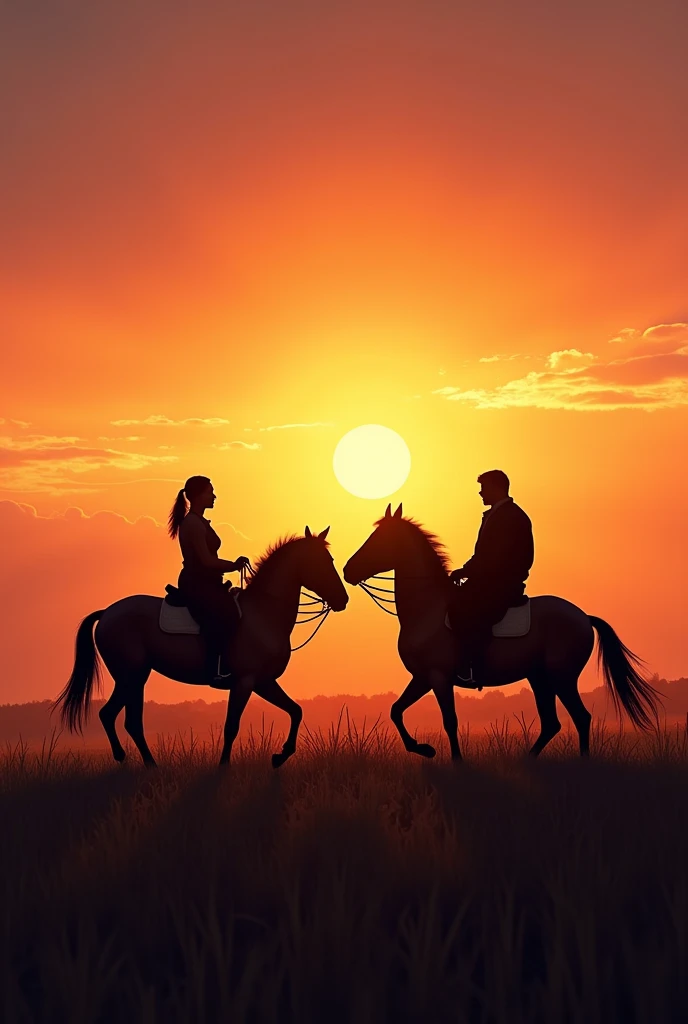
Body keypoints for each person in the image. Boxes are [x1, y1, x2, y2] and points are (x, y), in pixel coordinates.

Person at [448, 470, 533, 684]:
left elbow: (492, 556)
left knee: (463, 610)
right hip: (490, 581)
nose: (480, 493)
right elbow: (484, 556)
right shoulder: (498, 514)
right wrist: (467, 571)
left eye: (484, 488)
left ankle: (473, 665)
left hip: (500, 585)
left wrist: (466, 572)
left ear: (496, 488)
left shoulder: (510, 516)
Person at [168, 476, 250, 682]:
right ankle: (214, 669)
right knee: (227, 614)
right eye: (209, 492)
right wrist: (233, 565)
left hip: (206, 582)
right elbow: (206, 560)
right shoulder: (193, 524)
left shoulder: (199, 522)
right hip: (197, 583)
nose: (214, 496)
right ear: (197, 496)